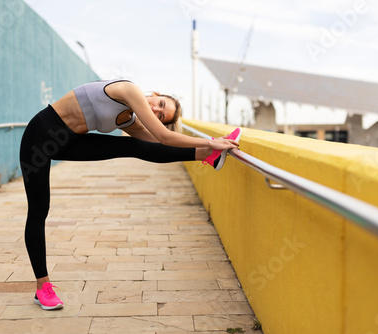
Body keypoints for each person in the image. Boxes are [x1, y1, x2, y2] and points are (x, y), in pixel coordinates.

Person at [19, 79, 241, 310]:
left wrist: (205, 148)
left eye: (161, 116)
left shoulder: (129, 119)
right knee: (38, 209)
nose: (156, 110)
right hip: (39, 138)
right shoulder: (128, 89)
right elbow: (165, 137)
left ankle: (207, 157)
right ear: (155, 94)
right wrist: (212, 141)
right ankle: (42, 287)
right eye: (161, 103)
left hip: (70, 142)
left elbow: (157, 141)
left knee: (134, 146)